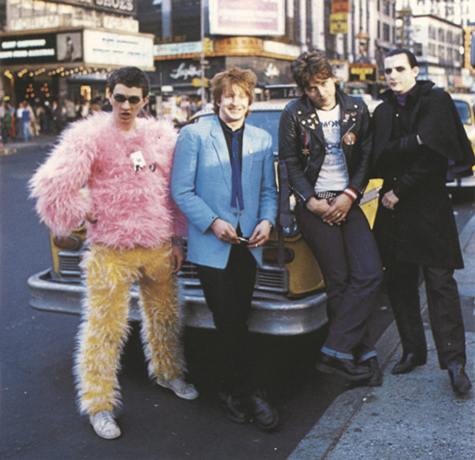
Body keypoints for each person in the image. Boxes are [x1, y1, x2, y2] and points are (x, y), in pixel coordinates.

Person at [30, 66, 198, 440]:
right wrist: (81, 207)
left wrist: (177, 240)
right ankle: (99, 404)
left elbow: (175, 190)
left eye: (133, 99)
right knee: (104, 330)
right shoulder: (88, 135)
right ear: (108, 94)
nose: (125, 105)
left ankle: (168, 373)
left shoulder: (158, 136)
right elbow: (51, 187)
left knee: (167, 318)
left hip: (157, 247)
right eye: (119, 96)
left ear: (145, 100)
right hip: (110, 249)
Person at [171, 66, 279, 431]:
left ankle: (230, 388)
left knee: (236, 319)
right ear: (217, 98)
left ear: (250, 101)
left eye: (241, 96)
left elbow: (268, 190)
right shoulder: (193, 135)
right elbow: (181, 190)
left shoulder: (263, 139)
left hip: (249, 243)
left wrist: (267, 220)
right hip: (211, 243)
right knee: (229, 317)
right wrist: (213, 223)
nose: (235, 101)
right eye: (228, 95)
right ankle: (253, 392)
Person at [371, 48, 473, 395]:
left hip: (425, 207)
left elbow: (433, 153)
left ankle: (455, 363)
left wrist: (400, 186)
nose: (393, 75)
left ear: (415, 69)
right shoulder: (384, 109)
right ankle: (413, 350)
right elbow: (379, 153)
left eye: (399, 68)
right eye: (387, 70)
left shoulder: (436, 99)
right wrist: (411, 141)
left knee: (440, 285)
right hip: (394, 211)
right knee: (399, 283)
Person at [278, 50, 383, 385]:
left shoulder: (356, 108)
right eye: (310, 88)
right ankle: (361, 357)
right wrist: (310, 201)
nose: (319, 92)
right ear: (303, 90)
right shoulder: (293, 113)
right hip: (314, 207)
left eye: (323, 83)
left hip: (348, 201)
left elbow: (366, 156)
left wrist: (350, 195)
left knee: (368, 274)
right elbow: (290, 162)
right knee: (338, 281)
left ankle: (336, 349)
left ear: (334, 78)